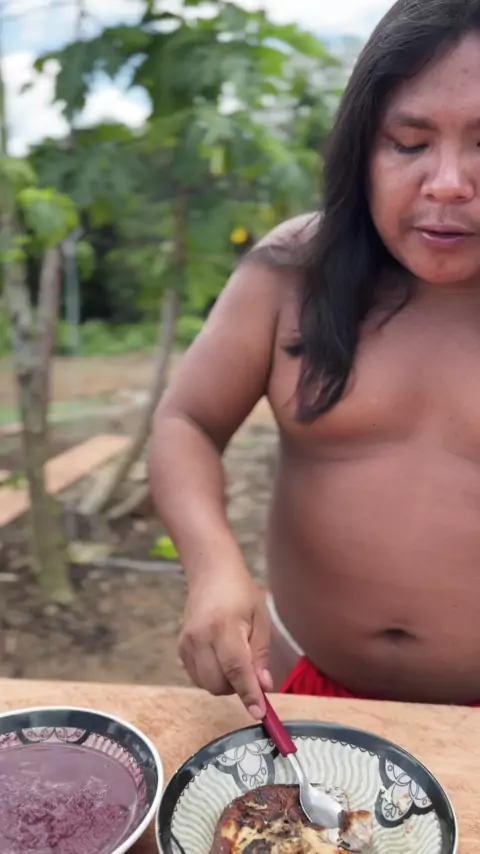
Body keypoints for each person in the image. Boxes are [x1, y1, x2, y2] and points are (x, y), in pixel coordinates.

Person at [149, 0, 480, 718]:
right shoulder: (295, 273)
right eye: (409, 143)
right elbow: (186, 422)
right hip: (296, 690)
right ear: (362, 150)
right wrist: (212, 567)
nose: (448, 182)